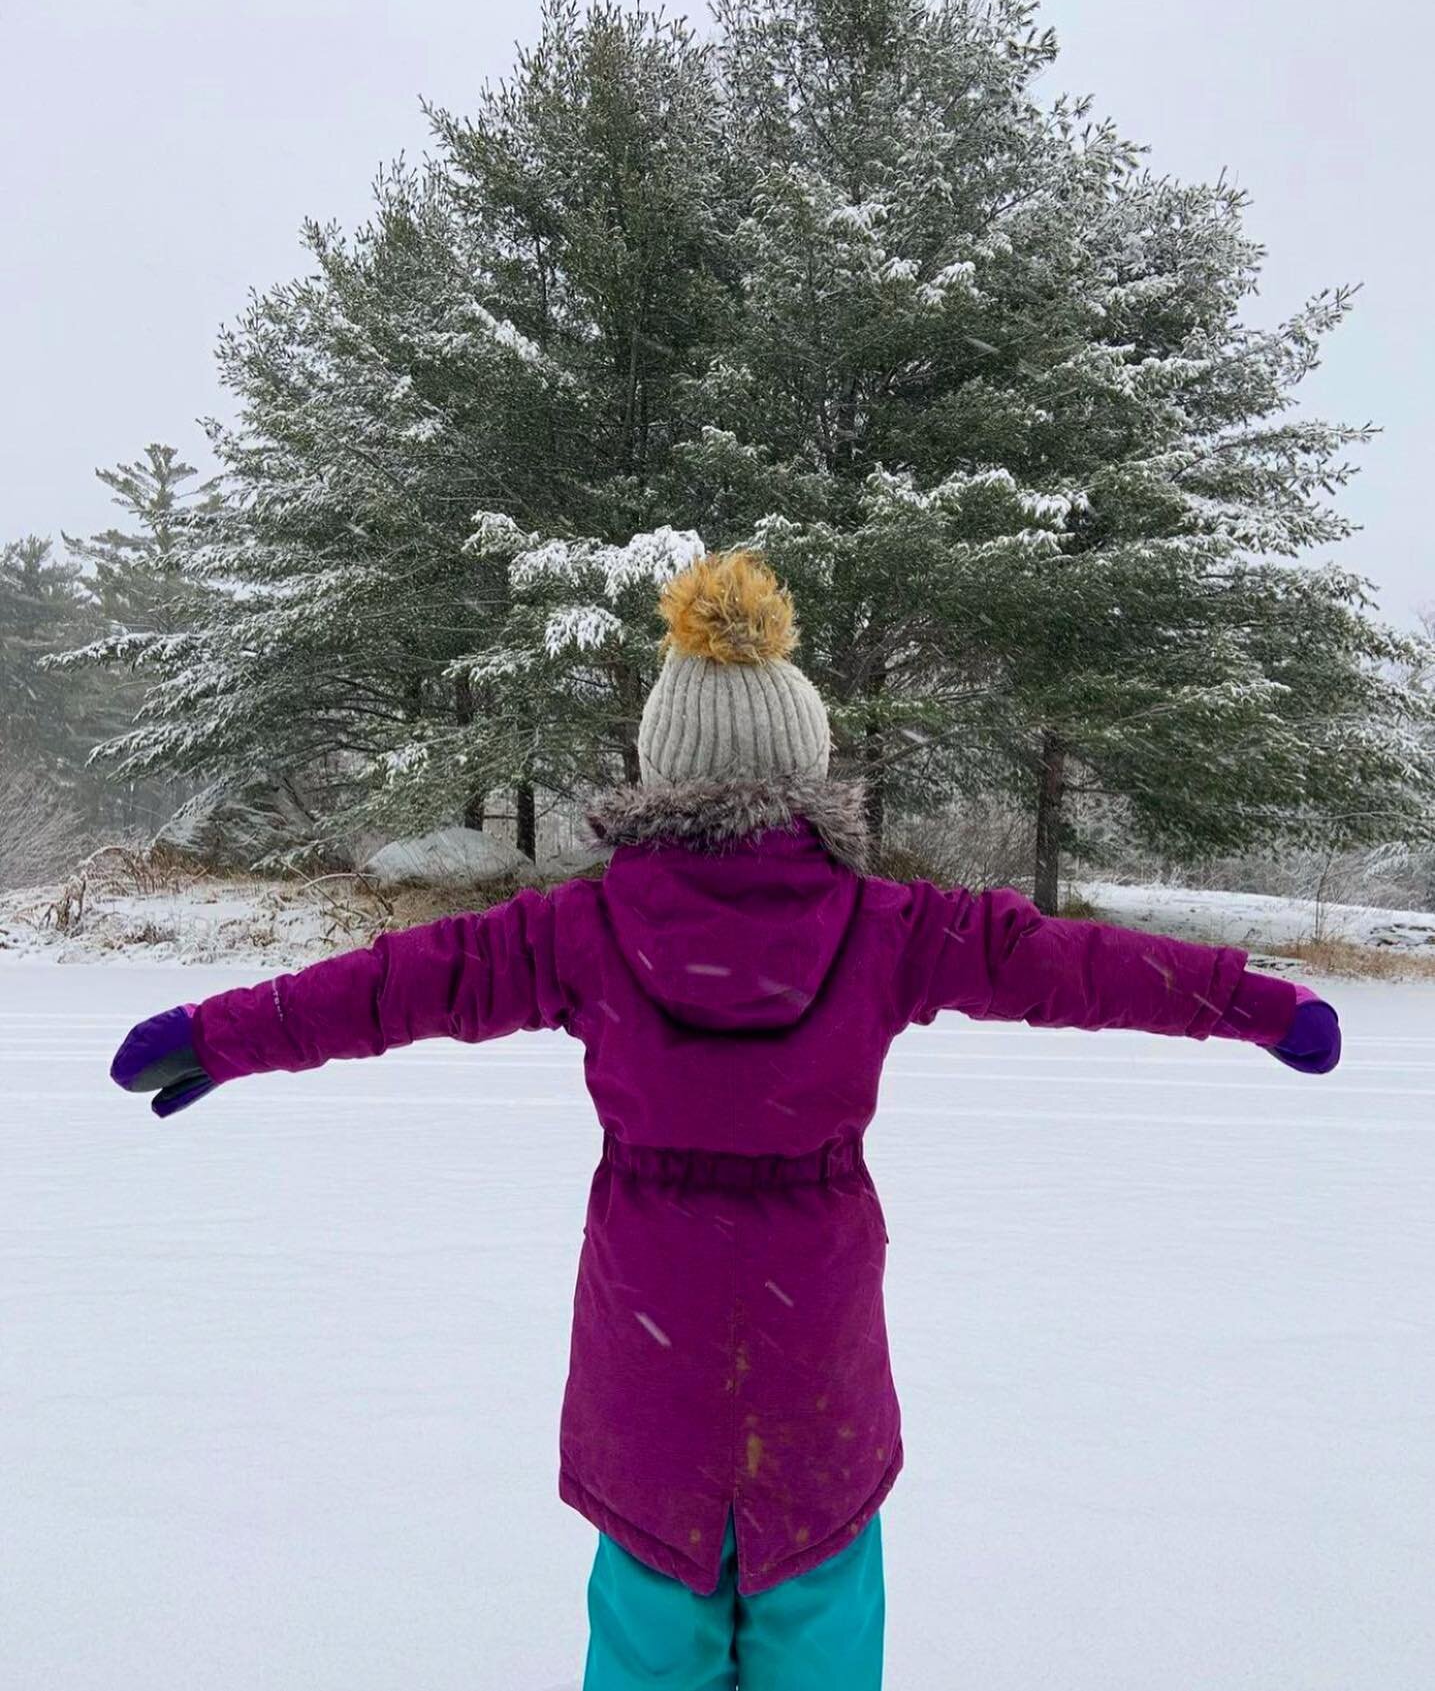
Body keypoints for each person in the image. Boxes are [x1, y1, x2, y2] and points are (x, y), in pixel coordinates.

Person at [111, 549, 1342, 1690]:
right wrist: (1253, 1005)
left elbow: (393, 984)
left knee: (656, 1602)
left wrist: (222, 1034)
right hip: (818, 1343)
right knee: (816, 1588)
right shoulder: (890, 927)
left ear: (660, 770)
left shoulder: (576, 928)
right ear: (806, 771)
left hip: (651, 1339)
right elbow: (1075, 964)